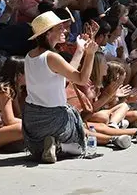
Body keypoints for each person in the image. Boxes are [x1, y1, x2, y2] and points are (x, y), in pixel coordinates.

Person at [22, 12, 96, 163]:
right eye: (60, 28)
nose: (65, 30)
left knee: (38, 150)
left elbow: (67, 76)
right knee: (79, 147)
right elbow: (81, 80)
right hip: (54, 119)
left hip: (32, 119)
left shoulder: (30, 55)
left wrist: (80, 49)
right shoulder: (52, 57)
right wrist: (90, 55)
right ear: (48, 33)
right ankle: (58, 146)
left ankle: (50, 146)